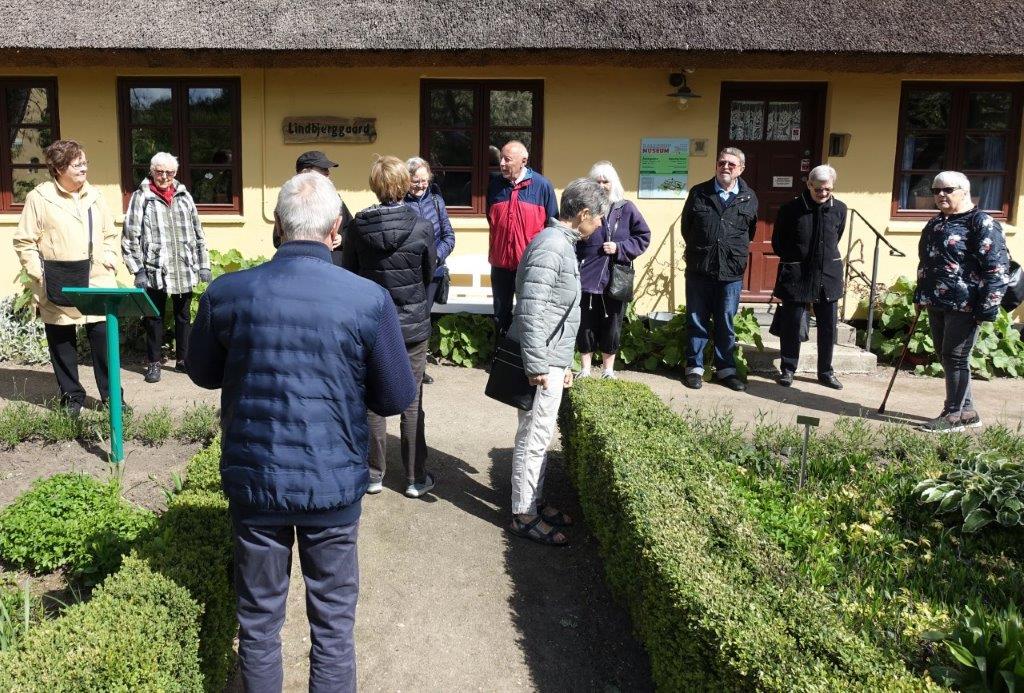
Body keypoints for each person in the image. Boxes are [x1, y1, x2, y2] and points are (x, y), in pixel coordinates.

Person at [187, 171, 416, 692]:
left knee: (258, 622)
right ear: (336, 230)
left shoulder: (228, 293)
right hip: (331, 484)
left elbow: (202, 372)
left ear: (277, 225)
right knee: (333, 625)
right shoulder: (368, 299)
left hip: (256, 483)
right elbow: (395, 396)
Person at [507, 177, 610, 546]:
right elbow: (531, 309)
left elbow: (556, 311)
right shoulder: (552, 245)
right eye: (598, 216)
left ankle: (533, 501)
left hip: (552, 357)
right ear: (582, 214)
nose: (600, 223)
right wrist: (538, 364)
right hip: (542, 360)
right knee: (533, 436)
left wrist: (564, 363)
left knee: (540, 435)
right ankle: (523, 515)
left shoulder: (560, 243)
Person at [343, 156, 437, 497]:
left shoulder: (357, 227)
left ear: (375, 186)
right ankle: (414, 478)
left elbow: (351, 274)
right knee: (412, 400)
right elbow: (428, 273)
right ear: (404, 184)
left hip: (373, 323)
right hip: (412, 325)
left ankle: (373, 475)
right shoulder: (421, 225)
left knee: (373, 399)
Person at [13, 139, 120, 416]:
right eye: (77, 164)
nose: (84, 168)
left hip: (97, 279)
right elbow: (24, 241)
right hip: (57, 278)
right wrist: (38, 273)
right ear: (59, 168)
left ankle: (112, 397)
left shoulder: (95, 196)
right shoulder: (40, 197)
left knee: (103, 341)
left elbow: (109, 234)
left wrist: (110, 257)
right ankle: (72, 398)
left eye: (85, 163)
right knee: (62, 343)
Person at [914, 171, 1010, 433]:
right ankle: (967, 411)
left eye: (947, 190)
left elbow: (997, 268)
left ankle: (953, 415)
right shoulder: (936, 223)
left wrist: (987, 307)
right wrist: (920, 294)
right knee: (946, 356)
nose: (940, 195)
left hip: (966, 304)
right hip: (936, 300)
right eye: (935, 190)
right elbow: (926, 261)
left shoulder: (981, 223)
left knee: (955, 357)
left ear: (965, 191)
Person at [122, 152, 211, 383]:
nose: (164, 177)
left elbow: (198, 232)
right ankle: (154, 362)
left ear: (175, 173)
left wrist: (203, 265)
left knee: (183, 316)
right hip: (155, 268)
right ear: (152, 171)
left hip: (183, 266)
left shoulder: (184, 195)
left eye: (169, 173)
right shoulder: (142, 196)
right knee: (154, 316)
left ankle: (183, 360)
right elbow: (130, 236)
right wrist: (138, 270)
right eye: (159, 172)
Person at [680, 147, 759, 392]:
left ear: (741, 169)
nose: (725, 167)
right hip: (700, 269)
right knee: (697, 321)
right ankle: (694, 368)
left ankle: (726, 370)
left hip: (731, 273)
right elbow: (686, 228)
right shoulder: (699, 192)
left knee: (726, 322)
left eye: (731, 164)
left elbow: (750, 232)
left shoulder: (749, 197)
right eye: (721, 162)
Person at [771, 164, 846, 390]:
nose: (823, 193)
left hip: (828, 274)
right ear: (809, 185)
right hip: (797, 274)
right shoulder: (790, 209)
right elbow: (778, 243)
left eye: (827, 189)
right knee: (792, 324)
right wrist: (798, 257)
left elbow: (837, 236)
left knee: (828, 326)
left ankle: (825, 372)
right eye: (818, 189)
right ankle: (788, 369)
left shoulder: (840, 208)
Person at [577, 161, 651, 379]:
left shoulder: (626, 208)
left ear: (613, 183)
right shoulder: (584, 209)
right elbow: (574, 235)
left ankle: (608, 370)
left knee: (612, 323)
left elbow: (643, 236)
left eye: (605, 181)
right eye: (597, 181)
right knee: (586, 322)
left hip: (616, 276)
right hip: (588, 275)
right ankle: (585, 369)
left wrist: (620, 248)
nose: (601, 185)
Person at [486, 140, 559, 335]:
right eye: (501, 158)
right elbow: (492, 220)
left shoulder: (542, 186)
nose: (502, 163)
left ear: (523, 161)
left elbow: (553, 226)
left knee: (529, 314)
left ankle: (525, 352)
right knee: (500, 315)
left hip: (530, 265)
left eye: (507, 159)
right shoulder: (494, 186)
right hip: (501, 264)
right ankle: (500, 352)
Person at [405, 156, 456, 385]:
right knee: (408, 319)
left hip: (433, 273)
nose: (420, 186)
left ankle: (419, 367)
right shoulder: (400, 202)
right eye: (415, 181)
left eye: (424, 181)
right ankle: (404, 366)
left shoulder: (436, 201)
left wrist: (435, 257)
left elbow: (449, 236)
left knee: (424, 319)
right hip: (408, 273)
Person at [272, 150, 354, 265]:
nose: (328, 173)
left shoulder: (334, 199)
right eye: (323, 169)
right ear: (305, 172)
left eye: (327, 169)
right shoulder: (290, 199)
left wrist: (342, 238)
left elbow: (350, 229)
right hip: (298, 265)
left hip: (334, 266)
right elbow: (277, 240)